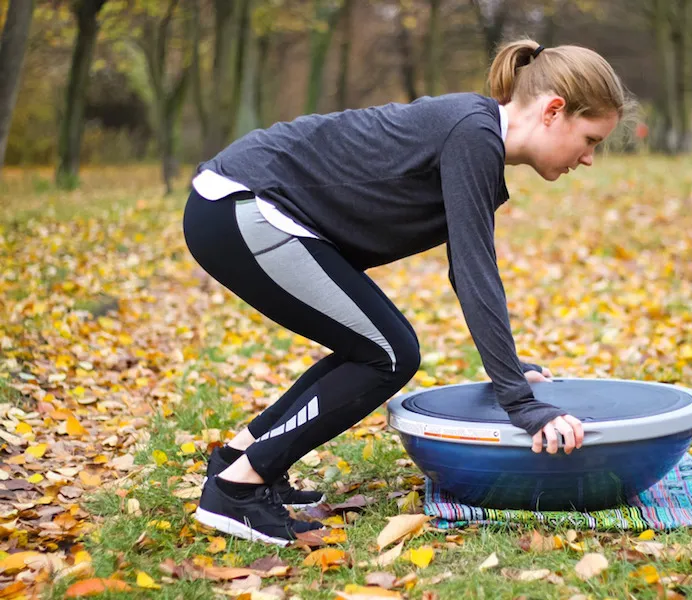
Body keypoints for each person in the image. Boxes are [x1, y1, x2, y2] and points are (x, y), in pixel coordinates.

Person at [182, 38, 629, 546]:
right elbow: (475, 271)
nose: (589, 158)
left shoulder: (476, 136)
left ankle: (239, 460)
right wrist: (521, 402)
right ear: (554, 111)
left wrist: (510, 371)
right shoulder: (474, 133)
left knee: (373, 346)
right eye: (590, 139)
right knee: (389, 353)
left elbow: (469, 270)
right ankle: (237, 492)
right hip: (244, 206)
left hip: (240, 208)